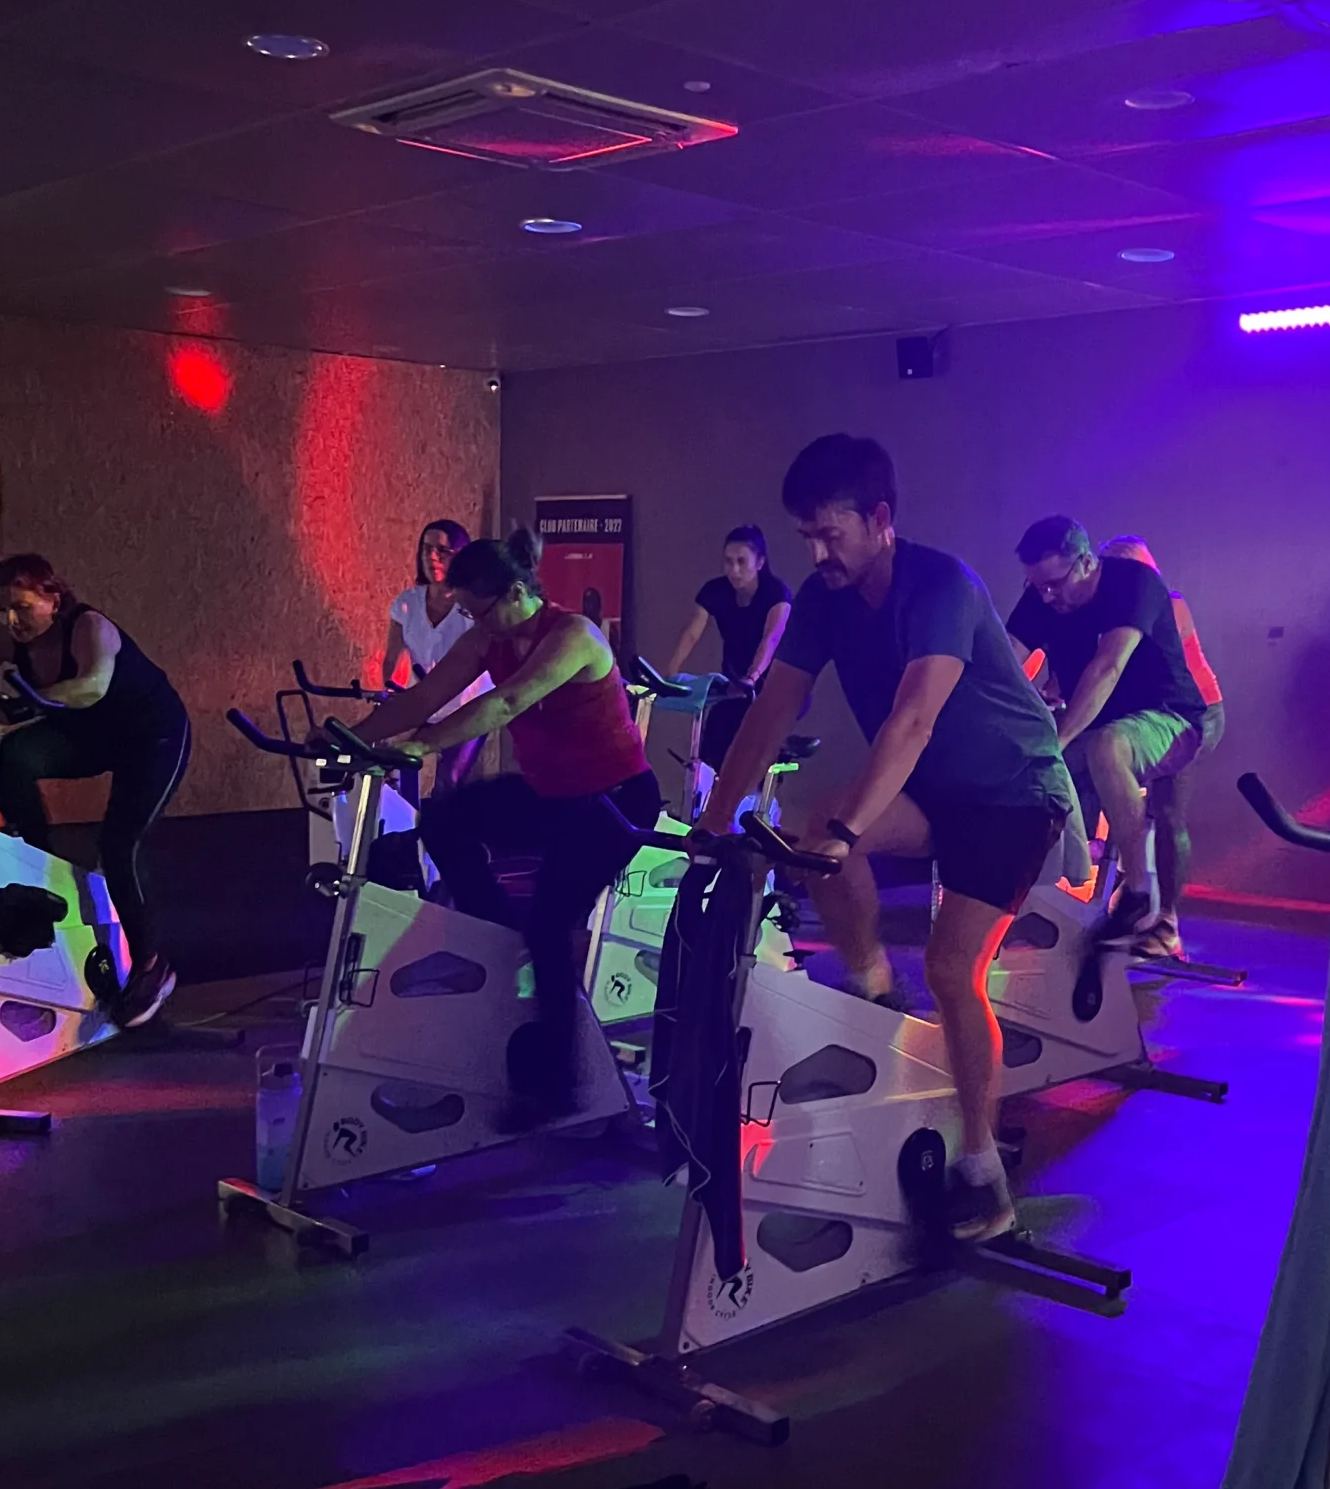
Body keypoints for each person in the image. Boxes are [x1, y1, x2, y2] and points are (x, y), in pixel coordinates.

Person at [699, 436, 1075, 1245]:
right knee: (815, 826)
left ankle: (984, 1173)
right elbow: (773, 709)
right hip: (939, 792)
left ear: (880, 520)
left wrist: (847, 832)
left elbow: (912, 719)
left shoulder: (941, 585)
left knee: (951, 965)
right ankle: (873, 989)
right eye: (806, 536)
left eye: (831, 534)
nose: (817, 551)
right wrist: (714, 815)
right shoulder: (824, 599)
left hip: (1014, 794)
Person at [353, 529, 662, 1124]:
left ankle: (559, 1087)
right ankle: (502, 933)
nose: (474, 622)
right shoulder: (486, 637)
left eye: (478, 609)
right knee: (444, 819)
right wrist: (352, 736)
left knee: (550, 925)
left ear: (517, 592)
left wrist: (422, 746)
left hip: (615, 801)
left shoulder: (572, 636)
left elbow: (505, 705)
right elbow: (425, 698)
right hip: (554, 794)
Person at [0, 554, 189, 1027]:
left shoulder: (90, 627)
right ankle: (36, 859)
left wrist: (19, 708)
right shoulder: (2, 640)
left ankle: (152, 968)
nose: (13, 620)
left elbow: (92, 687)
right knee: (16, 757)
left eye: (22, 606)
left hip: (151, 737)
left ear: (54, 598)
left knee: (119, 845)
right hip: (90, 737)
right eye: (3, 610)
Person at [1007, 515, 1206, 946]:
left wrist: (1057, 741)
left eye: (1055, 584)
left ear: (1085, 563)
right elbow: (1005, 665)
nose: (1047, 596)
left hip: (1172, 718)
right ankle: (1022, 895)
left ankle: (1140, 896)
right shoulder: (1041, 596)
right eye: (1037, 587)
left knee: (1110, 749)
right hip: (1097, 721)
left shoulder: (1135, 584)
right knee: (1023, 762)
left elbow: (1107, 667)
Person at [1099, 537, 1223, 960]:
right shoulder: (1111, 610)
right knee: (1112, 780)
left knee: (1168, 811)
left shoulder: (1168, 604)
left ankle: (1167, 922)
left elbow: (1121, 660)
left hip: (1192, 715)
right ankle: (1126, 891)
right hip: (1149, 713)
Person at [664, 524, 793, 783]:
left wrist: (752, 677)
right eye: (728, 561)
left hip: (776, 684)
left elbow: (772, 639)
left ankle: (753, 805)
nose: (733, 570)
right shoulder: (715, 590)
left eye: (741, 562)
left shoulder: (777, 593)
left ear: (760, 563)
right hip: (734, 683)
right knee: (713, 746)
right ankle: (709, 808)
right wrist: (670, 673)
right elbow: (691, 633)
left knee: (750, 740)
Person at [383, 519, 486, 796]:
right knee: (392, 766)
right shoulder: (407, 603)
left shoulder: (471, 606)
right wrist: (390, 699)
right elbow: (393, 660)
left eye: (442, 551)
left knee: (447, 785)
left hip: (465, 708)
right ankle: (404, 835)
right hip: (425, 702)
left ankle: (444, 835)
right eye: (426, 549)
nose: (431, 557)